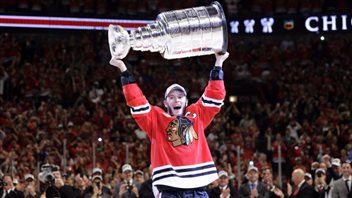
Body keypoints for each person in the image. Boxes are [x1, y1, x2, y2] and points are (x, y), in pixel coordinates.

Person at [109, 51, 229, 198]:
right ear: (166, 103)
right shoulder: (156, 118)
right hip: (170, 188)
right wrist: (123, 69)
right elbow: (136, 101)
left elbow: (215, 94)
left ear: (186, 101)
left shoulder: (197, 114)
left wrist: (219, 63)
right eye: (171, 97)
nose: (176, 100)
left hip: (199, 188)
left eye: (180, 97)